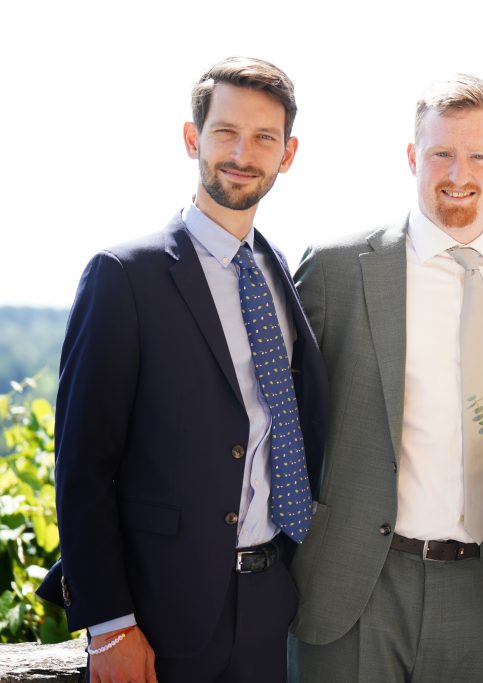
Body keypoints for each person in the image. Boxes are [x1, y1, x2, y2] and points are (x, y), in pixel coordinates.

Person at [35, 57, 327, 682]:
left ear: (289, 153)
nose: (243, 153)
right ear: (193, 138)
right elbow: (83, 466)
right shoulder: (124, 276)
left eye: (264, 138)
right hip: (157, 614)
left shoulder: (283, 277)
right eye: (226, 133)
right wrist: (110, 626)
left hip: (269, 604)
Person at [286, 74, 483, 682]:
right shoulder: (336, 269)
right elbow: (281, 420)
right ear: (414, 157)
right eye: (442, 153)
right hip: (357, 581)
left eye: (478, 155)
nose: (459, 172)